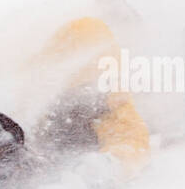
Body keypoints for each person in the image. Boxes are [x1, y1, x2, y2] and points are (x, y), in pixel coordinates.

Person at [30, 16, 151, 175]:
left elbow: (131, 140)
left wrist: (108, 163)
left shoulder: (106, 98)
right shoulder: (39, 89)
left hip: (65, 164)